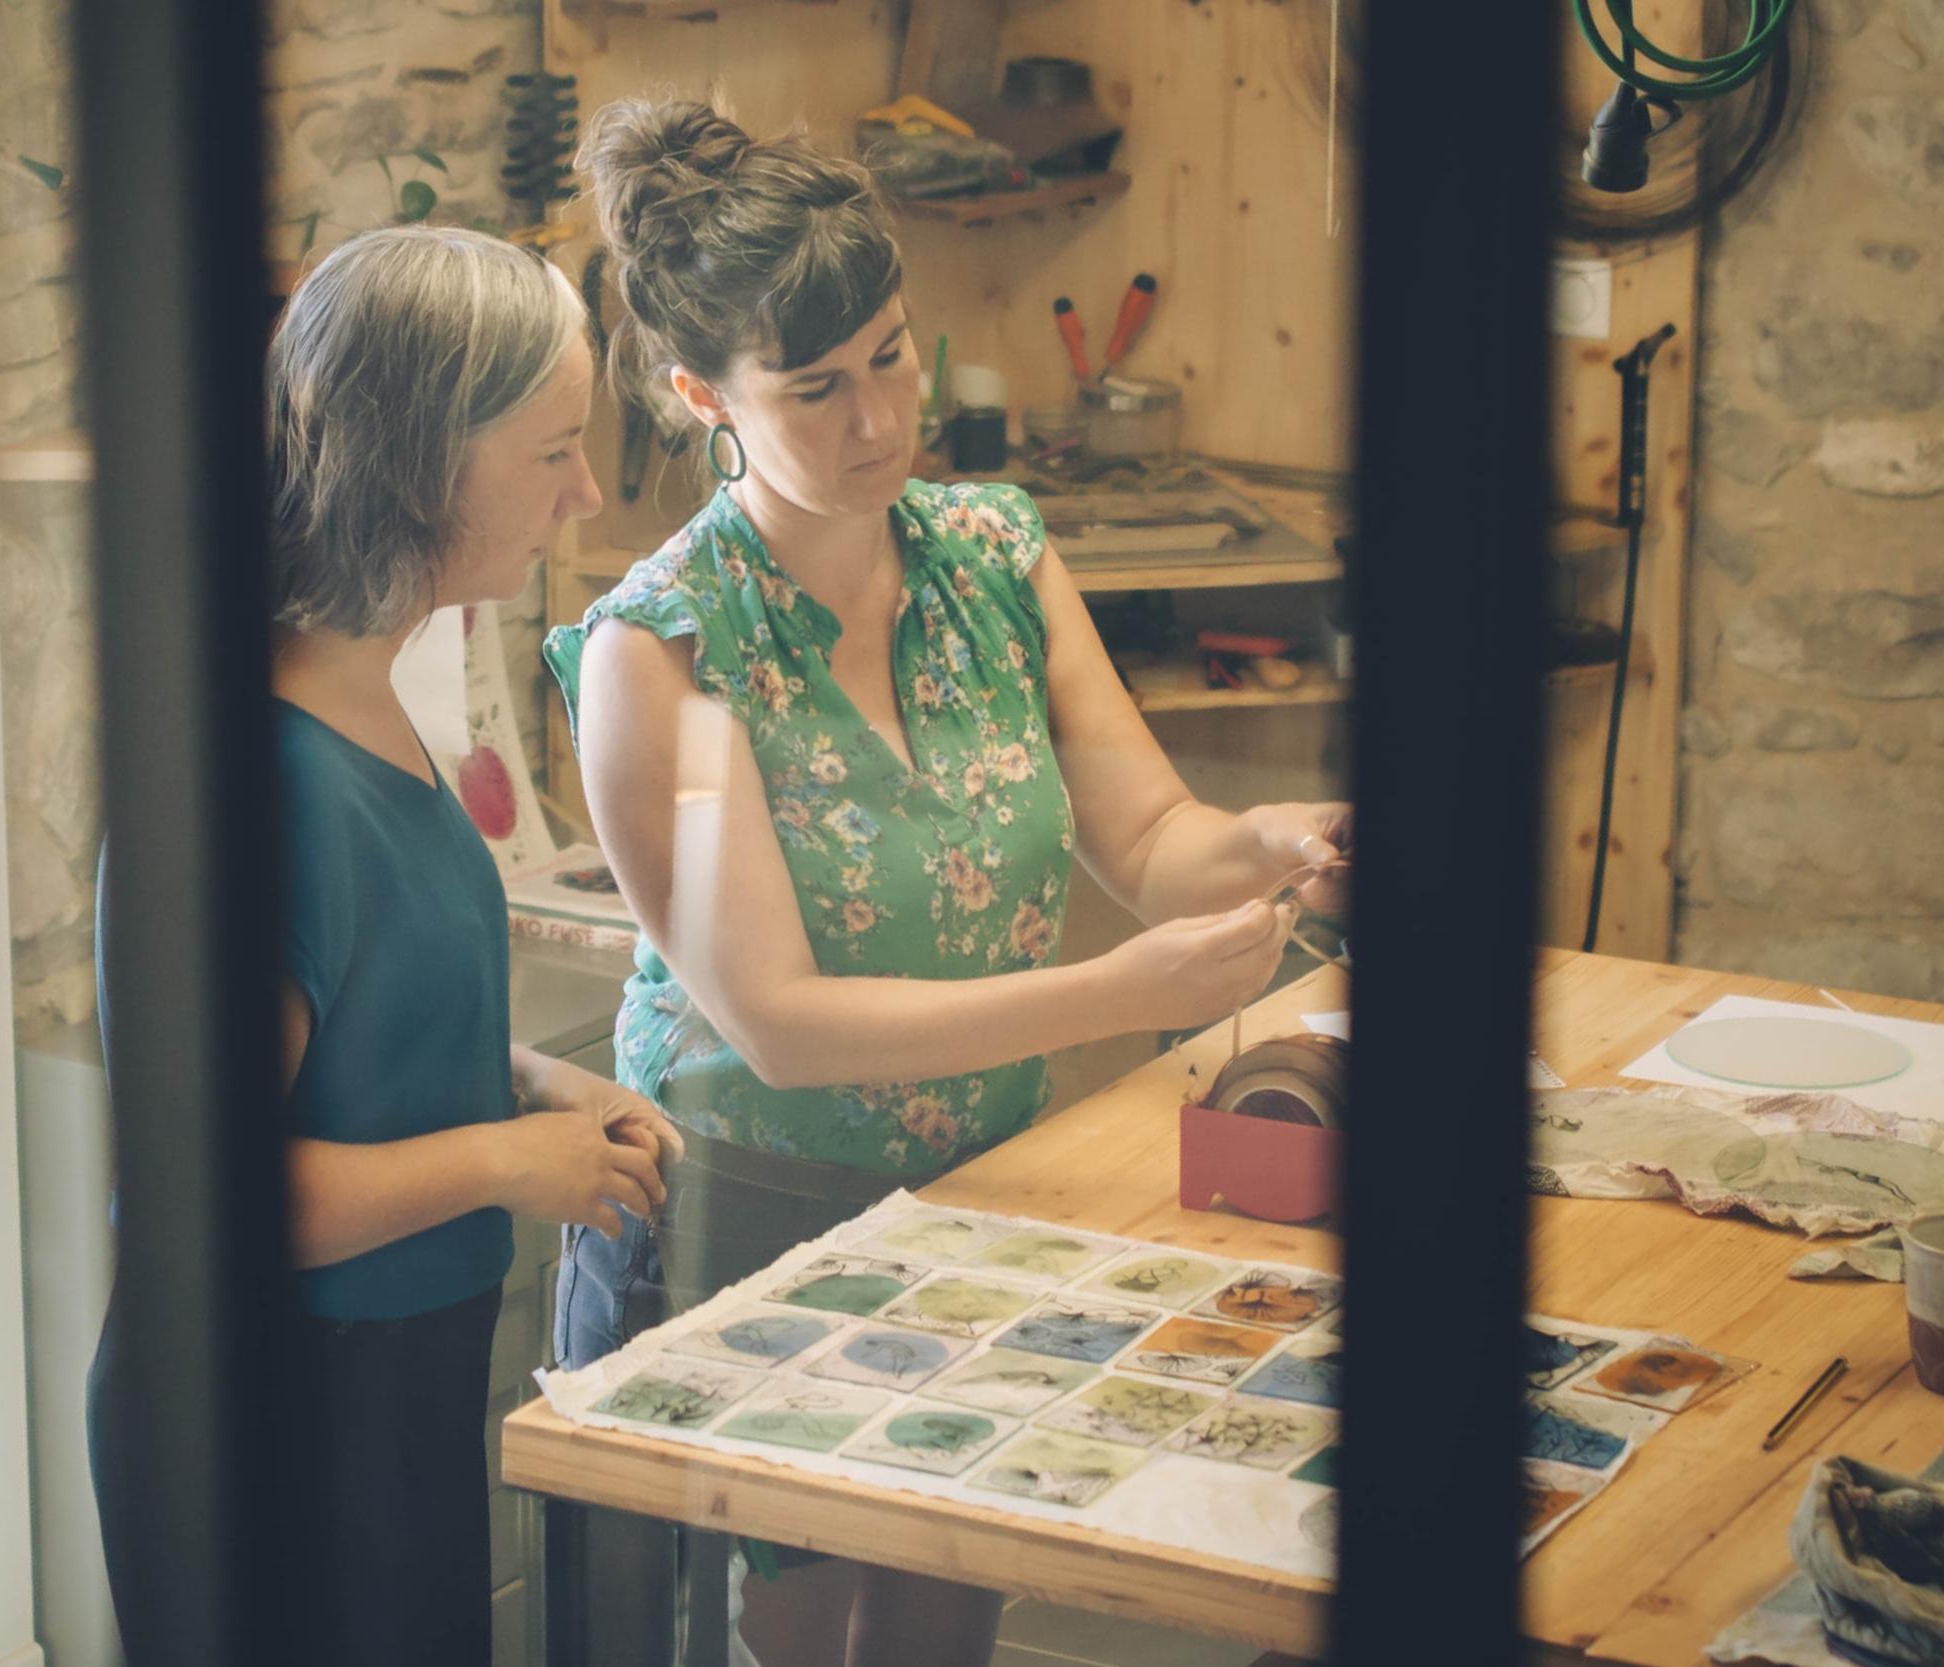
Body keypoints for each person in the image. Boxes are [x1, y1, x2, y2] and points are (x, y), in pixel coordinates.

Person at [545, 101, 1352, 1667]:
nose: (876, 420)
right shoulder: (663, 651)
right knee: (778, 1640)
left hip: (984, 1189)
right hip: (742, 1214)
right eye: (817, 387)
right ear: (700, 394)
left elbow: (1148, 839)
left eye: (896, 358)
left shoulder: (995, 552)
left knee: (936, 1631)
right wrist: (1123, 997)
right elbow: (780, 1023)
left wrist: (1267, 842)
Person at [86, 225, 682, 1667]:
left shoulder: (366, 692)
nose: (587, 492)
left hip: (395, 1382)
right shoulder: (258, 781)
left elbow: (372, 1020)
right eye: (552, 452)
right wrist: (501, 1161)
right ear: (427, 463)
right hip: (274, 1416)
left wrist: (534, 1088)